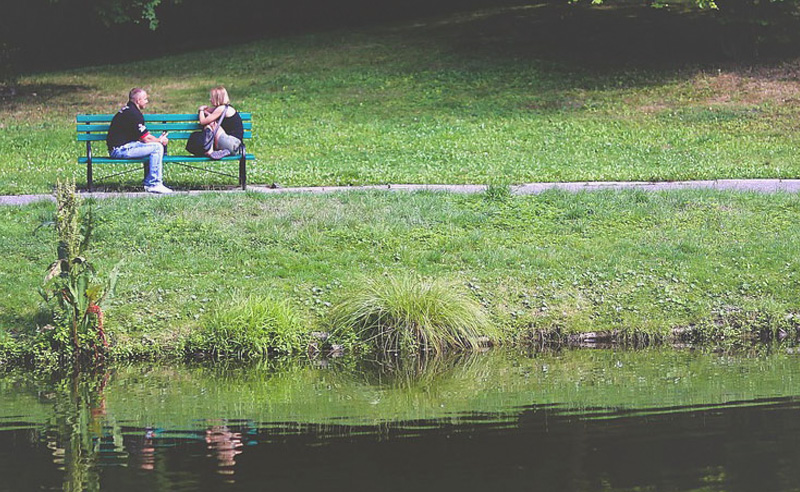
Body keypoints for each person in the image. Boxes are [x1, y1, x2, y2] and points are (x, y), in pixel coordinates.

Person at [106, 88, 172, 194]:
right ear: (138, 100)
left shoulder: (128, 110)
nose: (147, 101)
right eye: (145, 99)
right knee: (157, 148)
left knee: (154, 146)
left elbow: (143, 137)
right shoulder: (134, 114)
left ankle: (150, 183)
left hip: (123, 147)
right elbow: (145, 138)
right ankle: (154, 184)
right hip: (120, 150)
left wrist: (157, 140)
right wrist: (159, 140)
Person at [198, 86, 244, 158]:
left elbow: (203, 121)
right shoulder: (227, 108)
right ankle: (221, 151)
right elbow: (209, 111)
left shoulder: (221, 109)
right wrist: (206, 111)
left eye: (212, 97)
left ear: (217, 98)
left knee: (211, 124)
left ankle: (210, 151)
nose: (210, 100)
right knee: (212, 122)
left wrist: (200, 110)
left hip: (230, 143)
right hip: (235, 145)